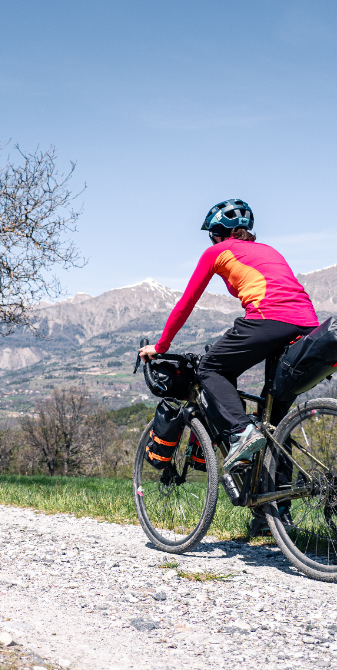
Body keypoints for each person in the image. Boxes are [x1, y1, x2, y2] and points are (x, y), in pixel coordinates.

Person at [139, 199, 320, 473]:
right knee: (275, 423)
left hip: (268, 319)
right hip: (309, 328)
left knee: (210, 368)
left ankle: (241, 430)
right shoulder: (268, 250)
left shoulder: (218, 252)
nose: (212, 241)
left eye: (212, 235)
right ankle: (272, 511)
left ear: (219, 233)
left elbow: (185, 304)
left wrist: (161, 345)